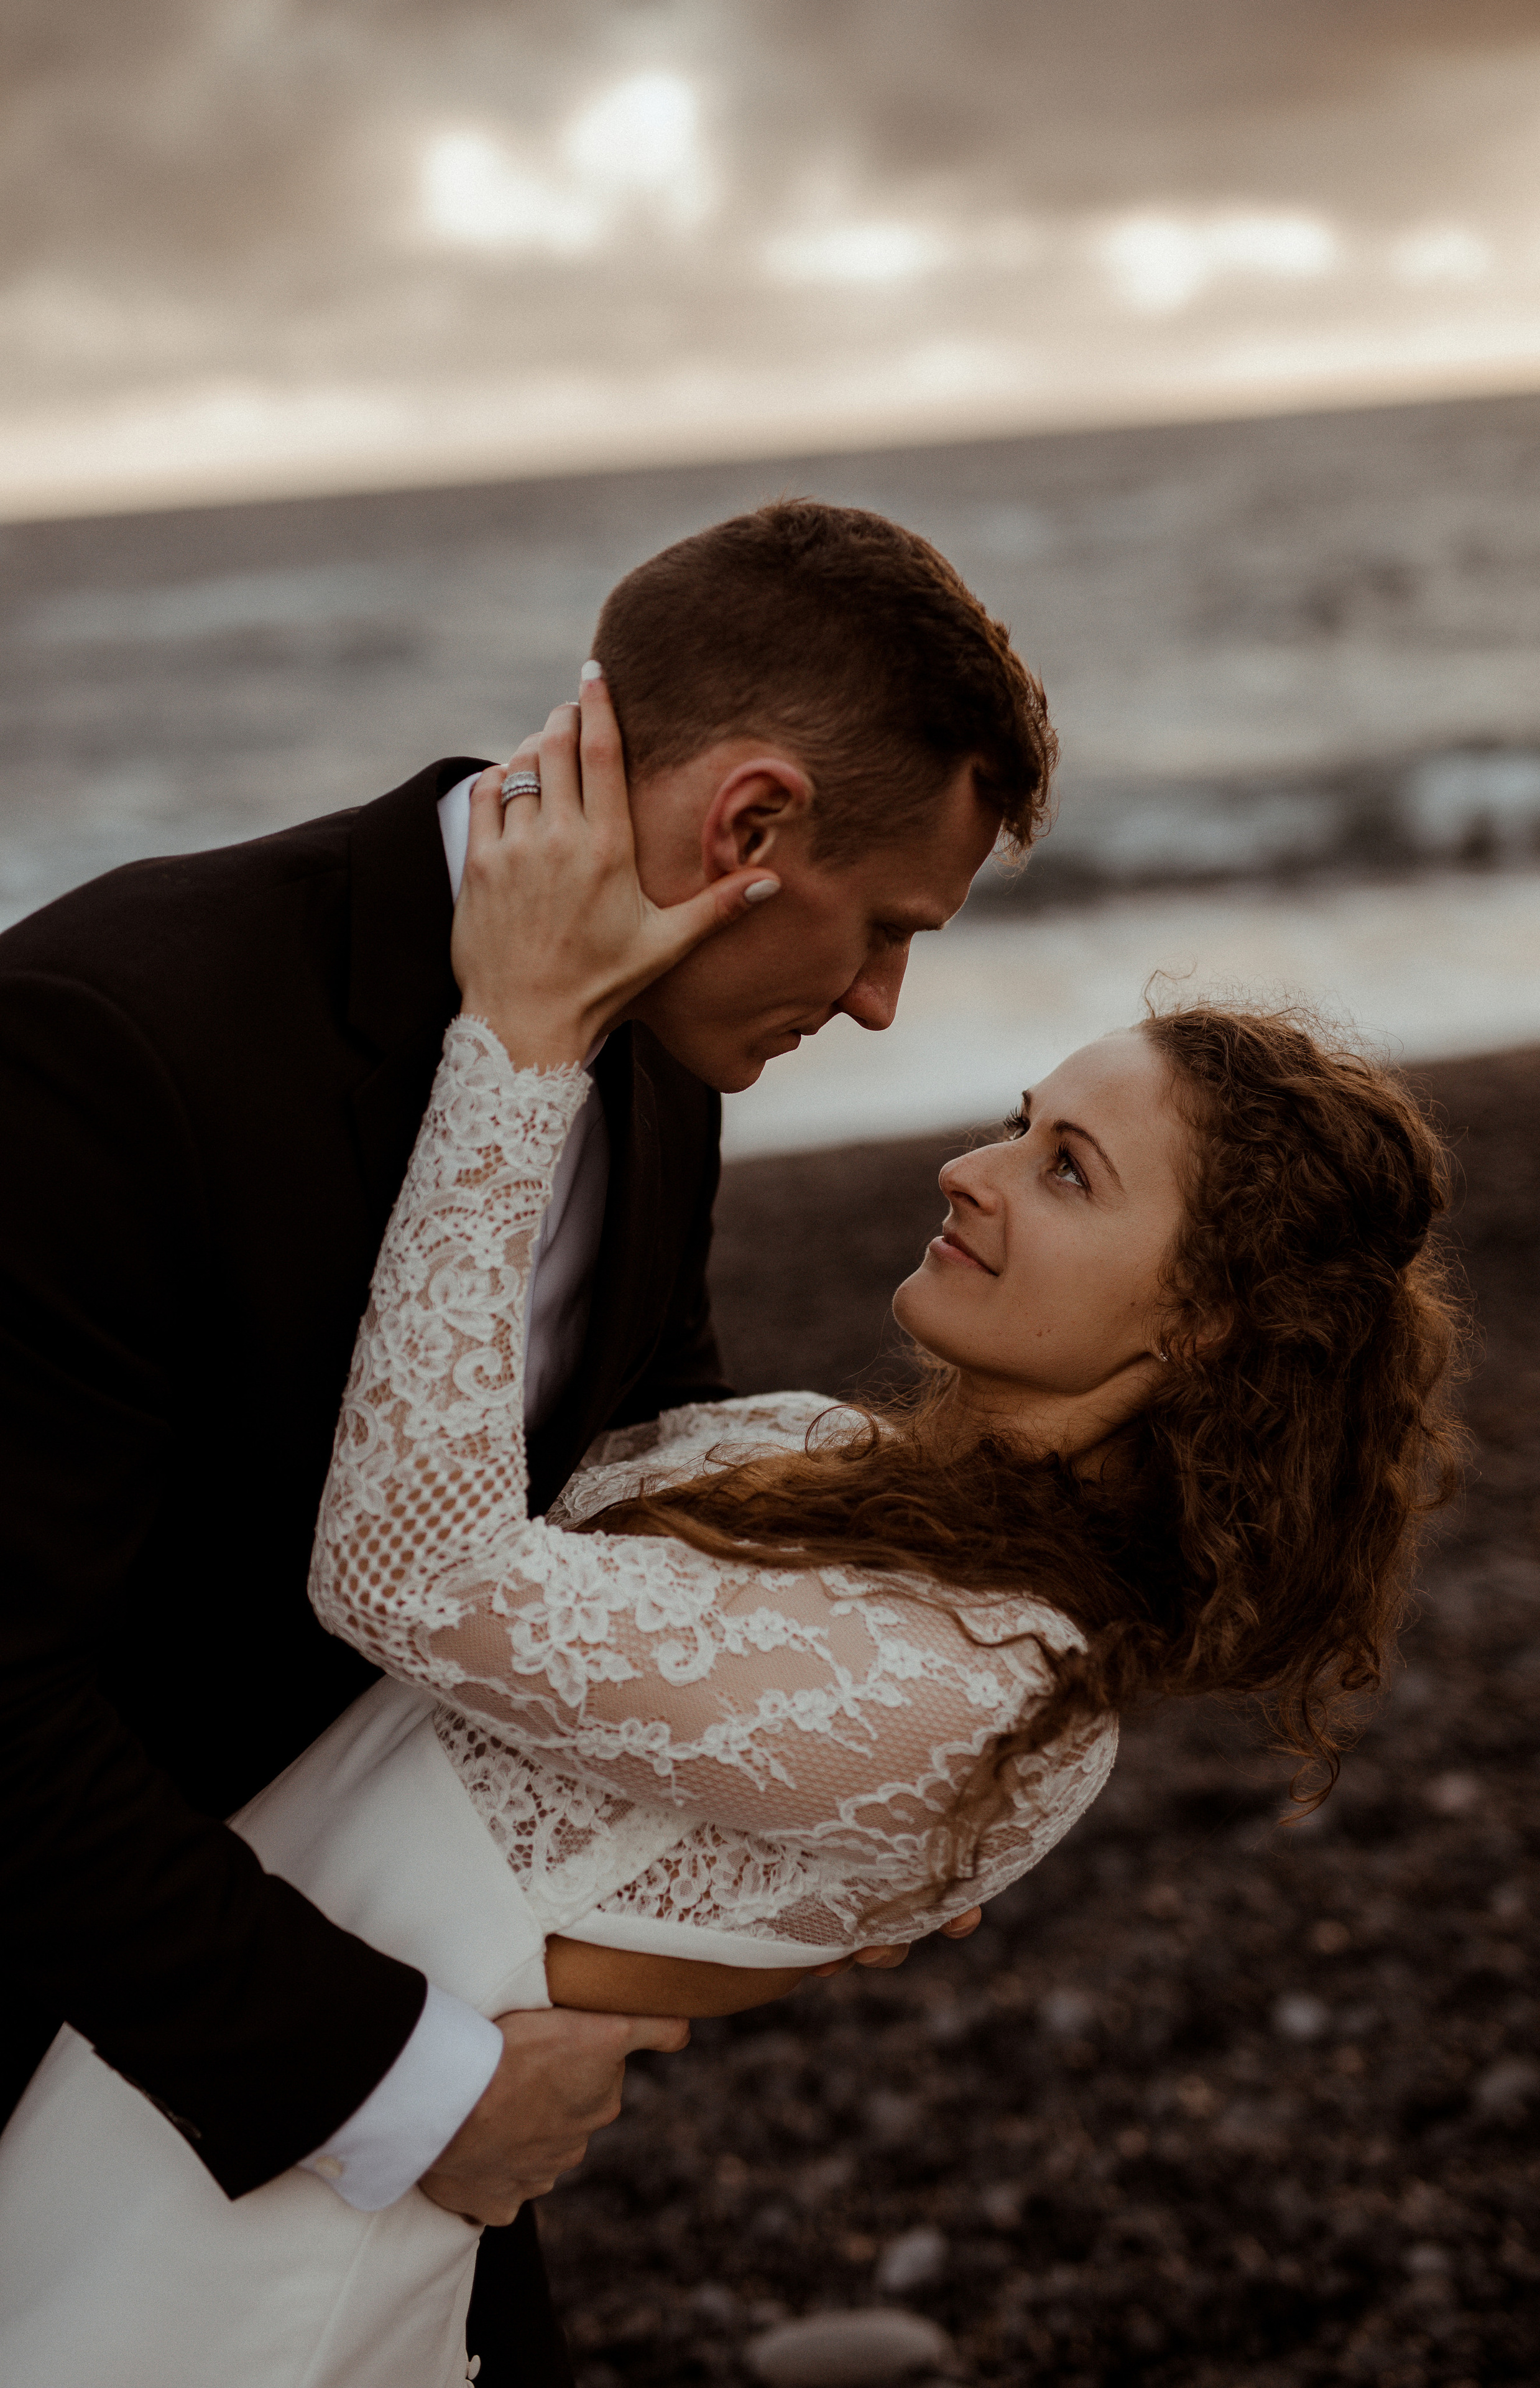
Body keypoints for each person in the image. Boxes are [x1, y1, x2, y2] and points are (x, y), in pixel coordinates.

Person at [0, 668, 1466, 2386]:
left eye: (1068, 1168)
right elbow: (547, 1480)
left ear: (1205, 1327)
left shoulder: (986, 1678)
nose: (969, 1167)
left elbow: (417, 1569)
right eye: (1021, 1125)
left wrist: (520, 1042)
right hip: (170, 2078)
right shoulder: (833, 1458)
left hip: (267, 2214)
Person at [0, 501, 1053, 2384]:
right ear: (747, 827)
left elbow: (629, 1526)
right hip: (112, 2077)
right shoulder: (105, 1039)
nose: (885, 1001)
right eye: (889, 926)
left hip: (401, 2051)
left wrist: (843, 1808)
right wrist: (404, 2088)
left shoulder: (666, 1062)